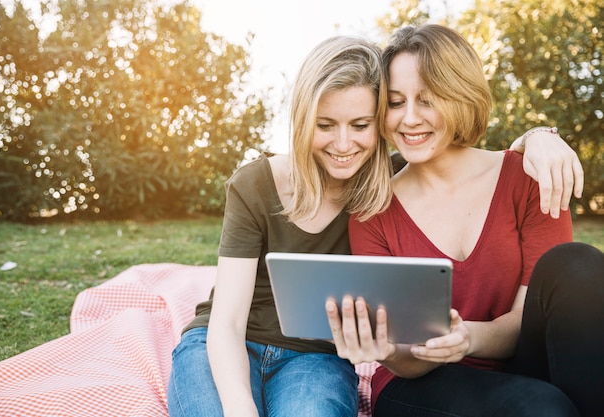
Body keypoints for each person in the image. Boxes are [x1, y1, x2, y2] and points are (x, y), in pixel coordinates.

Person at [167, 34, 584, 417]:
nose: (344, 145)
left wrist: (539, 136)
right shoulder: (296, 190)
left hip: (316, 357)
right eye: (325, 125)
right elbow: (226, 322)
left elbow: (460, 149)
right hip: (242, 345)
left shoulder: (384, 183)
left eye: (361, 125)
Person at [325, 24, 604, 417]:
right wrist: (387, 349)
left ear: (460, 95)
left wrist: (467, 336)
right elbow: (403, 356)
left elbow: (528, 320)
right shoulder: (373, 209)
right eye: (395, 102)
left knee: (578, 262)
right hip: (421, 381)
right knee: (543, 408)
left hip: (519, 364)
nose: (408, 119)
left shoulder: (529, 176)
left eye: (427, 99)